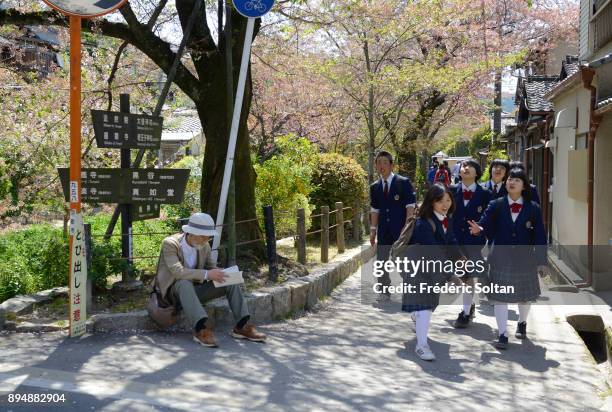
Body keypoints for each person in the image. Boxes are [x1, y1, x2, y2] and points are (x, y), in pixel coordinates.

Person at [153, 212, 266, 348]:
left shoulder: (204, 246)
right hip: (172, 295)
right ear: (191, 232)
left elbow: (210, 267)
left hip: (195, 292)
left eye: (207, 238)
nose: (205, 240)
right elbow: (178, 272)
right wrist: (207, 274)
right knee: (183, 283)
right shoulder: (170, 243)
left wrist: (222, 273)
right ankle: (200, 329)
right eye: (202, 237)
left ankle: (242, 326)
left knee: (228, 279)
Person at [468, 168, 549, 349]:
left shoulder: (533, 208)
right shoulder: (496, 204)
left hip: (525, 259)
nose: (512, 182)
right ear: (506, 183)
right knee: (499, 297)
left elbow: (540, 237)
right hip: (499, 258)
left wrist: (542, 261)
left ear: (524, 186)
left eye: (517, 180)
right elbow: (485, 225)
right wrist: (479, 230)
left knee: (525, 298)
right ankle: (502, 333)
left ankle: (522, 323)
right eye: (510, 179)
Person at [400, 183, 460, 361]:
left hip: (433, 271)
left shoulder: (444, 218)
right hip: (418, 270)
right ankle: (421, 346)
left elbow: (451, 240)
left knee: (429, 305)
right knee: (425, 306)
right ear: (431, 202)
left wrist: (461, 258)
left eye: (448, 200)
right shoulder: (423, 223)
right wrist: (451, 275)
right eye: (440, 200)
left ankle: (417, 315)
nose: (445, 204)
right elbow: (433, 252)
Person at [370, 151, 416, 302]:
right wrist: (373, 230)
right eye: (378, 162)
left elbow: (410, 206)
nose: (381, 166)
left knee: (402, 261)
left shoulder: (403, 182)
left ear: (391, 165)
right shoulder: (375, 187)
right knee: (381, 261)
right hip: (384, 230)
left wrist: (407, 228)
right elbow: (375, 210)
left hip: (401, 229)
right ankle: (384, 291)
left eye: (385, 162)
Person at [450, 159, 491, 328]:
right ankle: (469, 304)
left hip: (475, 243)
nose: (466, 168)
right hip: (453, 241)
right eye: (463, 166)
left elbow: (490, 217)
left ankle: (465, 312)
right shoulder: (451, 191)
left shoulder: (485, 194)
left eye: (470, 166)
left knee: (467, 276)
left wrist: (481, 228)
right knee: (454, 276)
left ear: (477, 172)